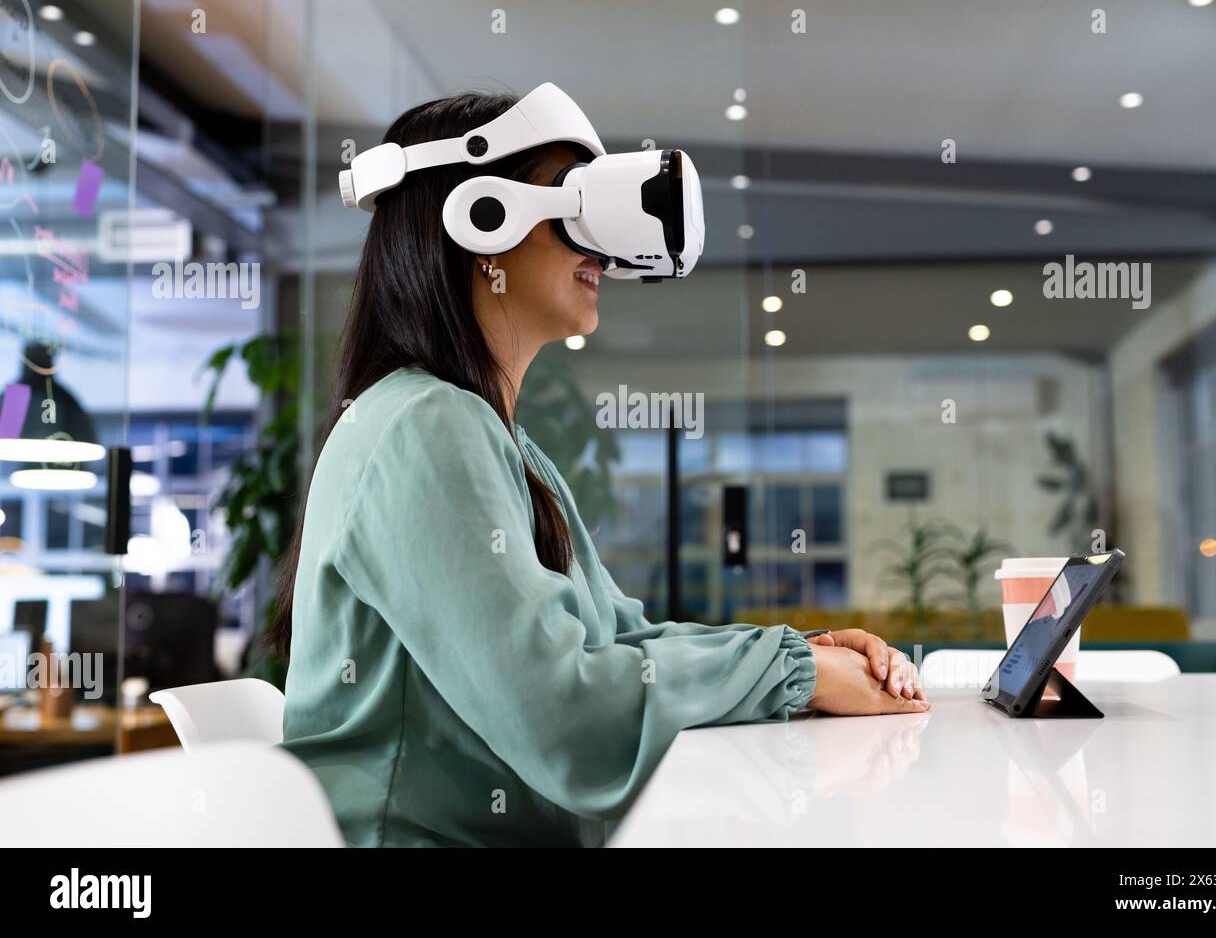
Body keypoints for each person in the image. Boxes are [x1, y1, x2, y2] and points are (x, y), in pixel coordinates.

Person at [276, 90, 929, 847]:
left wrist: (796, 653)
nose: (603, 249)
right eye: (572, 208)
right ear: (480, 218)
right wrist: (795, 674)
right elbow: (565, 717)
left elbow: (623, 640)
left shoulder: (495, 440)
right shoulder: (424, 426)